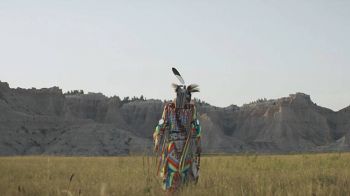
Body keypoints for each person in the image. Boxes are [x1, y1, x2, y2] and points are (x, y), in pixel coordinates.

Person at [153, 82, 201, 191]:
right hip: (181, 148)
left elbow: (160, 126)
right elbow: (197, 128)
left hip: (179, 148)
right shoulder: (186, 109)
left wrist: (157, 137)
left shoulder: (174, 109)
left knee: (181, 176)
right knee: (180, 176)